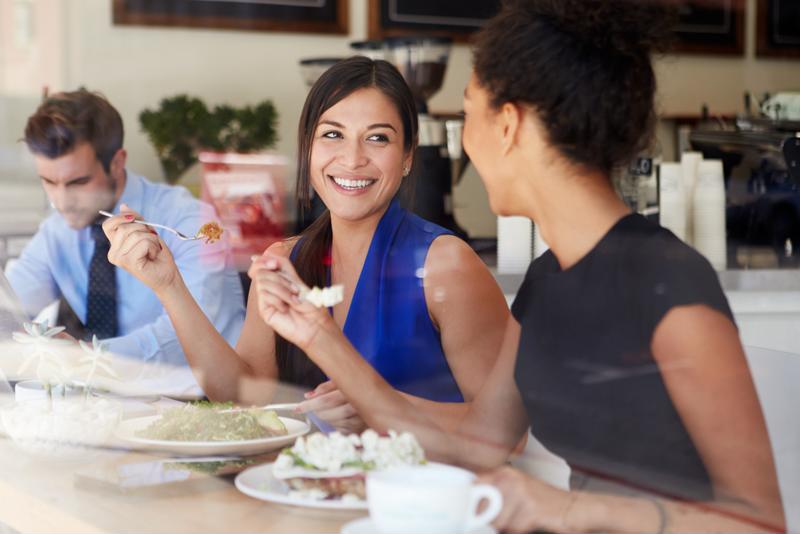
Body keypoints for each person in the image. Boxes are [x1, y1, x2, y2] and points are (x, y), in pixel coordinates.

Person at [246, 1, 785, 532]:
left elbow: (759, 523)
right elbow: (479, 444)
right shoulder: (549, 279)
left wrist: (566, 509)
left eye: (467, 111)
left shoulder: (666, 279)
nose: (465, 142)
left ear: (508, 124)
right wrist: (320, 337)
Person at [102, 57, 510, 433]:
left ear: (407, 156)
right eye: (333, 134)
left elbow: (501, 435)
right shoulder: (284, 260)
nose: (352, 159)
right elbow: (241, 394)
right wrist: (168, 285)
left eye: (378, 138)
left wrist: (375, 406)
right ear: (308, 148)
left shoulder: (445, 265)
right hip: (311, 495)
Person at [8, 89, 245, 392]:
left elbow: (195, 337)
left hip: (205, 403)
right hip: (110, 406)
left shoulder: (190, 221)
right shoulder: (57, 231)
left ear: (117, 162)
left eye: (78, 182)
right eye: (49, 182)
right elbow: (11, 307)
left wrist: (89, 359)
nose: (62, 200)